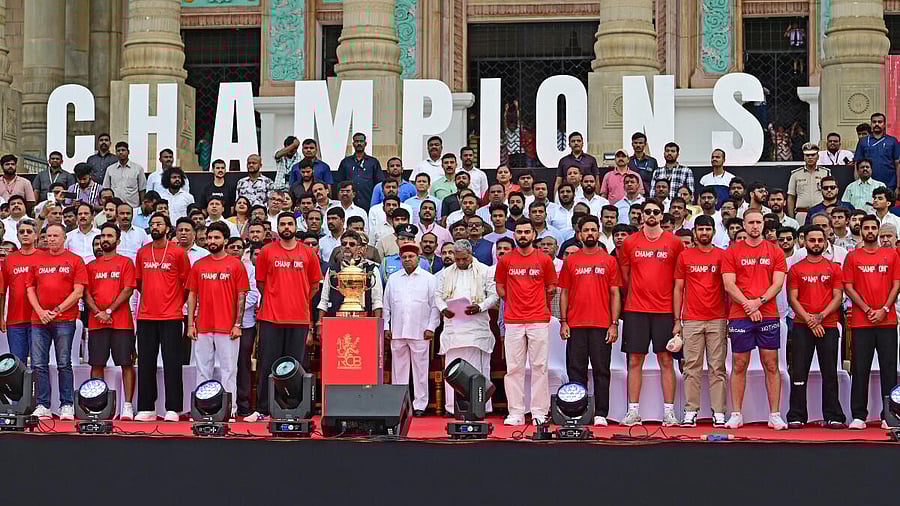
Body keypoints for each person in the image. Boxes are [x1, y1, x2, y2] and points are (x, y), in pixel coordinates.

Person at [245, 212, 322, 422]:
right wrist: (277, 298)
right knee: (267, 364)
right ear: (277, 228)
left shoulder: (308, 253)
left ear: (296, 226)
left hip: (298, 319)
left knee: (295, 367)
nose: (286, 227)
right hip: (271, 317)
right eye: (282, 224)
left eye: (290, 223)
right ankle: (262, 409)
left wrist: (297, 299)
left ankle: (294, 410)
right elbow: (261, 283)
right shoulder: (267, 251)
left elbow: (314, 286)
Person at [618, 199, 684, 426]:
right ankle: (633, 411)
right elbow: (625, 276)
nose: (652, 215)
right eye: (648, 212)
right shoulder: (629, 242)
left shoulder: (674, 242)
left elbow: (678, 280)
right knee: (634, 360)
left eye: (656, 211)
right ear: (642, 215)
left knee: (666, 360)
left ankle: (669, 412)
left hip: (664, 310)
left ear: (662, 215)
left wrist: (677, 317)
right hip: (635, 309)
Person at [721, 209, 788, 430]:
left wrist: (757, 303)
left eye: (758, 222)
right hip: (740, 315)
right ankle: (736, 414)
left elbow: (777, 284)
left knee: (771, 364)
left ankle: (774, 414)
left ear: (763, 224)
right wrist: (748, 306)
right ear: (744, 225)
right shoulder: (732, 251)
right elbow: (729, 285)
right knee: (739, 364)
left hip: (767, 314)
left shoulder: (775, 251)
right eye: (751, 222)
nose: (755, 226)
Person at [558, 215, 621, 426]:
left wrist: (614, 323)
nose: (590, 233)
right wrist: (564, 321)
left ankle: (601, 413)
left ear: (599, 232)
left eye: (593, 229)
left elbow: (615, 293)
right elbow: (564, 293)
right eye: (586, 230)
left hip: (602, 324)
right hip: (575, 324)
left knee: (602, 370)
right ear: (579, 234)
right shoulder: (571, 260)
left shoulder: (609, 260)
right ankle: (578, 411)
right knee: (576, 371)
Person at [495, 218, 558, 426]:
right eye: (519, 232)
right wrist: (513, 300)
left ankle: (539, 412)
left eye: (526, 232)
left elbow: (551, 286)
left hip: (538, 319)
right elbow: (500, 287)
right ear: (514, 235)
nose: (523, 235)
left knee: (539, 366)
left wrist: (538, 301)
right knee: (514, 368)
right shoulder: (506, 260)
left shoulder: (544, 259)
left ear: (533, 234)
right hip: (513, 320)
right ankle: (516, 413)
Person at [785, 225, 846, 428]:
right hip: (802, 326)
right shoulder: (796, 269)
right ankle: (796, 415)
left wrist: (820, 317)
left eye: (820, 240)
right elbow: (792, 299)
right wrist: (810, 320)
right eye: (812, 240)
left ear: (826, 242)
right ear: (804, 242)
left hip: (828, 325)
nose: (817, 244)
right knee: (799, 372)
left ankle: (833, 415)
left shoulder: (834, 268)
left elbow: (838, 297)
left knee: (830, 372)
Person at [843, 215, 900, 429]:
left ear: (878, 230)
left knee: (889, 368)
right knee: (860, 368)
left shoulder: (892, 255)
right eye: (866, 228)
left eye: (873, 228)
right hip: (862, 321)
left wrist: (884, 309)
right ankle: (859, 415)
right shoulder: (852, 256)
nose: (869, 231)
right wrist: (867, 309)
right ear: (861, 230)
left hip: (887, 321)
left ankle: (889, 415)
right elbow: (848, 287)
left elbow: (897, 284)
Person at [25, 223, 88, 420]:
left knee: (63, 363)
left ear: (64, 238)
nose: (51, 239)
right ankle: (43, 404)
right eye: (48, 236)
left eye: (55, 236)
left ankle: (66, 404)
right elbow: (30, 289)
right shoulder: (37, 260)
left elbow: (78, 292)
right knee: (39, 364)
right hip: (39, 320)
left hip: (65, 319)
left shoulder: (75, 260)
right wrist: (40, 311)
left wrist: (57, 310)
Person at [186, 221, 250, 413]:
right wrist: (190, 324)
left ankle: (230, 408)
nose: (212, 241)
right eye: (209, 237)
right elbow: (192, 295)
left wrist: (237, 324)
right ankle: (202, 408)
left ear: (225, 240)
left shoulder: (236, 265)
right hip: (203, 326)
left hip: (228, 327)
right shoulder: (198, 265)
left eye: (216, 237)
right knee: (202, 370)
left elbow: (241, 296)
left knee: (228, 370)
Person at [134, 213, 191, 422]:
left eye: (159, 224)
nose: (155, 227)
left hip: (172, 315)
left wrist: (175, 301)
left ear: (167, 228)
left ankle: (173, 408)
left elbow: (187, 284)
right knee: (146, 362)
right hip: (146, 315)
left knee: (172, 362)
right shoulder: (142, 252)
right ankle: (146, 407)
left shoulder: (178, 252)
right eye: (152, 224)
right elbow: (139, 283)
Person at [672, 215, 728, 427]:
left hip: (718, 319)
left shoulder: (722, 255)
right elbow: (678, 289)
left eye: (708, 229)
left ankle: (719, 412)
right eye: (701, 229)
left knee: (717, 367)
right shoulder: (685, 255)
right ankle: (690, 411)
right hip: (692, 319)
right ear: (694, 231)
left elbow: (729, 288)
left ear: (714, 231)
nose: (704, 233)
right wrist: (677, 320)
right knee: (691, 367)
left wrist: (729, 318)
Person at [436, 239, 498, 415]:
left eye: (465, 259)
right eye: (458, 259)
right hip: (453, 328)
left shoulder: (485, 271)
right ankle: (451, 408)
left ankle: (481, 406)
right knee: (452, 369)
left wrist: (480, 307)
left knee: (478, 369)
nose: (461, 262)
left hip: (476, 328)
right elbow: (438, 296)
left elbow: (494, 296)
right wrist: (443, 309)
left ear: (471, 254)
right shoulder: (446, 273)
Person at [83, 222, 137, 420]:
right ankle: (97, 404)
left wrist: (108, 311)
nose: (105, 239)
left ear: (118, 240)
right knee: (97, 364)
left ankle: (128, 406)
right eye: (103, 236)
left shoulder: (126, 263)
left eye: (109, 236)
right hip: (96, 322)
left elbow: (128, 289)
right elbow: (85, 293)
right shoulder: (90, 266)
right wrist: (98, 312)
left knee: (126, 363)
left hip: (121, 322)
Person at [382, 243, 439, 416]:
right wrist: (386, 326)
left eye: (411, 257)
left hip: (420, 331)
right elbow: (386, 306)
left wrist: (431, 327)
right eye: (404, 257)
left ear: (418, 258)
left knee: (420, 370)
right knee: (398, 370)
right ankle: (400, 403)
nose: (407, 260)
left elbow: (435, 306)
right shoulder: (393, 279)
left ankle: (420, 404)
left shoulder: (429, 279)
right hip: (397, 330)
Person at [1, 219, 40, 363]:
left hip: (38, 319)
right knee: (17, 363)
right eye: (21, 232)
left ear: (36, 235)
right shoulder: (9, 259)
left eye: (29, 231)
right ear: (17, 235)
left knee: (39, 363)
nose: (25, 234)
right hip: (14, 319)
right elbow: (2, 291)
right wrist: (1, 317)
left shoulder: (44, 257)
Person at [335, 132, 384, 211]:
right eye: (356, 141)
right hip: (348, 204)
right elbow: (339, 183)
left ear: (365, 143)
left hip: (368, 203)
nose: (359, 143)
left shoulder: (373, 162)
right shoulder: (346, 162)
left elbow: (379, 184)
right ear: (353, 144)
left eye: (361, 141)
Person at [853, 112, 900, 191]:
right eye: (874, 122)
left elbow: (897, 164)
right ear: (871, 124)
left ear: (884, 124)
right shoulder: (863, 141)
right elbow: (857, 163)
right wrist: (857, 184)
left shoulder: (892, 141)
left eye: (880, 122)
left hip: (890, 185)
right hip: (867, 185)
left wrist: (898, 187)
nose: (877, 124)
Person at [787, 143, 831, 224]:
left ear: (818, 156)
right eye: (807, 155)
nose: (810, 157)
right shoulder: (795, 174)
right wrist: (791, 219)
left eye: (813, 155)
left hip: (821, 213)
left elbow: (830, 195)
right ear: (804, 157)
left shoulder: (825, 173)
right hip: (802, 214)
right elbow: (791, 197)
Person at [102, 142, 147, 208]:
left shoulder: (138, 169)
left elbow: (142, 190)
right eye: (118, 151)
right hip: (115, 208)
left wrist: (142, 206)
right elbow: (106, 189)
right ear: (115, 153)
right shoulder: (110, 169)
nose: (121, 152)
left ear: (128, 152)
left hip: (133, 207)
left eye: (123, 150)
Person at [554, 132, 599, 196]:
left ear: (582, 143)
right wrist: (556, 198)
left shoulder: (591, 160)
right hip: (567, 194)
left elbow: (596, 180)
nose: (576, 143)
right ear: (569, 144)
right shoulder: (563, 161)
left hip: (586, 194)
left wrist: (597, 197)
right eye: (573, 141)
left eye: (578, 141)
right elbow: (558, 182)